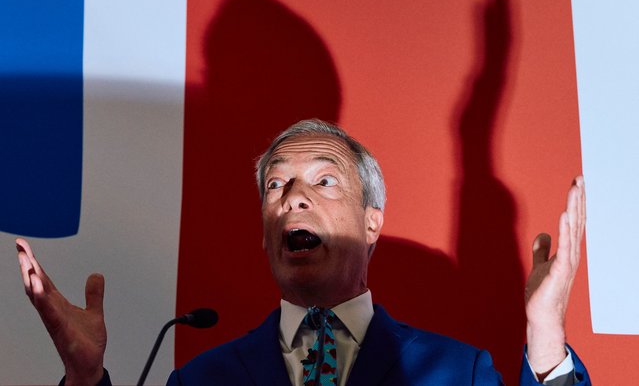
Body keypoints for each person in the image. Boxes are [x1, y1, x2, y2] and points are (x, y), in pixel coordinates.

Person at [16, 119, 590, 385]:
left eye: (324, 181)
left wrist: (545, 338)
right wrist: (85, 381)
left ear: (372, 223)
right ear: (265, 234)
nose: (292, 197)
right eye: (275, 186)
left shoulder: (457, 372)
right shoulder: (202, 381)